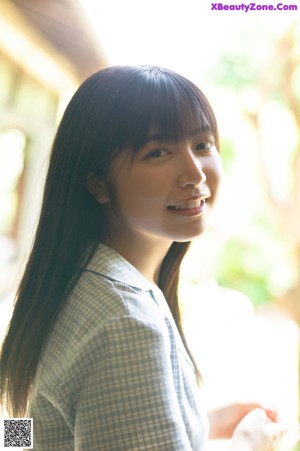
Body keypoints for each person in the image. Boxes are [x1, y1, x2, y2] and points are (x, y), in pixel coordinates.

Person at [0, 65, 287, 450]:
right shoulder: (125, 319)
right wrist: (251, 444)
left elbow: (23, 432)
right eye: (158, 152)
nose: (194, 173)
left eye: (202, 145)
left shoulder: (74, 280)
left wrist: (199, 424)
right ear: (97, 183)